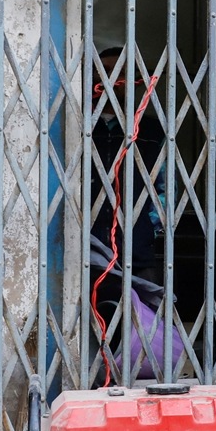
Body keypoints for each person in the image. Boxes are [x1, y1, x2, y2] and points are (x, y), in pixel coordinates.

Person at [90, 46, 166, 285]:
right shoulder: (76, 127)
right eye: (103, 71)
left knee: (144, 307)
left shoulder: (152, 131)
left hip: (137, 252)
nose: (111, 79)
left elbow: (165, 189)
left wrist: (148, 229)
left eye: (119, 72)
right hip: (84, 248)